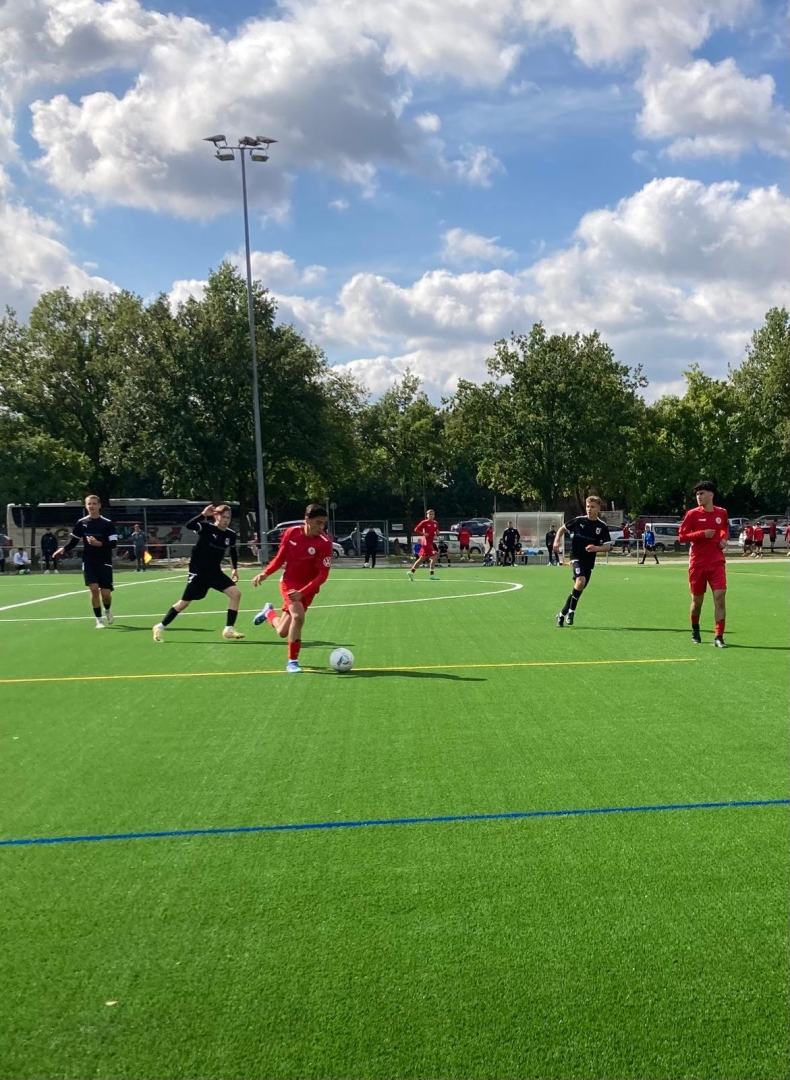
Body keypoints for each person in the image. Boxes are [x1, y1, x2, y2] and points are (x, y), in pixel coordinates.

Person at [251, 503, 333, 673]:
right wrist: (265, 573)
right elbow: (280, 558)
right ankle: (292, 661)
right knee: (298, 617)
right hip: (290, 582)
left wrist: (303, 592)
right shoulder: (291, 533)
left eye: (324, 523)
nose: (321, 527)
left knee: (282, 631)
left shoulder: (325, 543)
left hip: (308, 588)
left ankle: (268, 613)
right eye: (318, 522)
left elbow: (323, 575)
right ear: (307, 520)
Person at [152, 503, 243, 642]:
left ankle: (228, 629)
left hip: (215, 573)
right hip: (199, 572)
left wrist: (234, 568)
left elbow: (233, 550)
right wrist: (202, 515)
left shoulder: (230, 534)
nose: (226, 520)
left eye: (228, 517)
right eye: (223, 517)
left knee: (236, 594)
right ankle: (159, 626)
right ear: (216, 516)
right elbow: (189, 525)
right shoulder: (207, 528)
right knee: (183, 603)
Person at [678, 480, 729, 648]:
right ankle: (695, 629)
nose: (698, 497)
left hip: (716, 562)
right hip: (698, 564)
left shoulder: (721, 513)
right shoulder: (692, 514)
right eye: (697, 494)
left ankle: (719, 636)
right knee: (697, 601)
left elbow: (724, 528)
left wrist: (724, 539)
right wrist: (702, 534)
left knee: (720, 597)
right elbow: (682, 536)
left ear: (711, 495)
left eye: (702, 493)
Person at [54, 495, 118, 628]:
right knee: (94, 589)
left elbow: (113, 543)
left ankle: (107, 610)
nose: (91, 506)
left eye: (94, 503)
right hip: (89, 561)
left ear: (99, 505)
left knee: (106, 594)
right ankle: (99, 620)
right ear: (86, 506)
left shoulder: (107, 523)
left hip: (104, 561)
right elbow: (73, 541)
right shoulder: (81, 523)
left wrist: (99, 544)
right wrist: (63, 549)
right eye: (89, 504)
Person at [553, 495, 612, 626]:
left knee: (578, 588)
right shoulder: (579, 520)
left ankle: (561, 614)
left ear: (599, 508)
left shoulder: (602, 526)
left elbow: (608, 546)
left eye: (593, 507)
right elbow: (562, 529)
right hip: (575, 557)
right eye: (587, 506)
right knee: (580, 581)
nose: (589, 509)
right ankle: (572, 612)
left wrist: (596, 548)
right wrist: (556, 541)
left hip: (588, 562)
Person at [408, 510, 440, 580]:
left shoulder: (435, 523)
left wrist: (437, 533)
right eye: (430, 514)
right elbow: (416, 529)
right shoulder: (424, 522)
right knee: (434, 555)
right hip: (425, 542)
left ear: (434, 515)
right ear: (427, 515)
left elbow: (436, 530)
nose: (431, 515)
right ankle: (431, 575)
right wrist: (423, 534)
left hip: (430, 542)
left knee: (422, 559)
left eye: (432, 514)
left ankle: (411, 572)